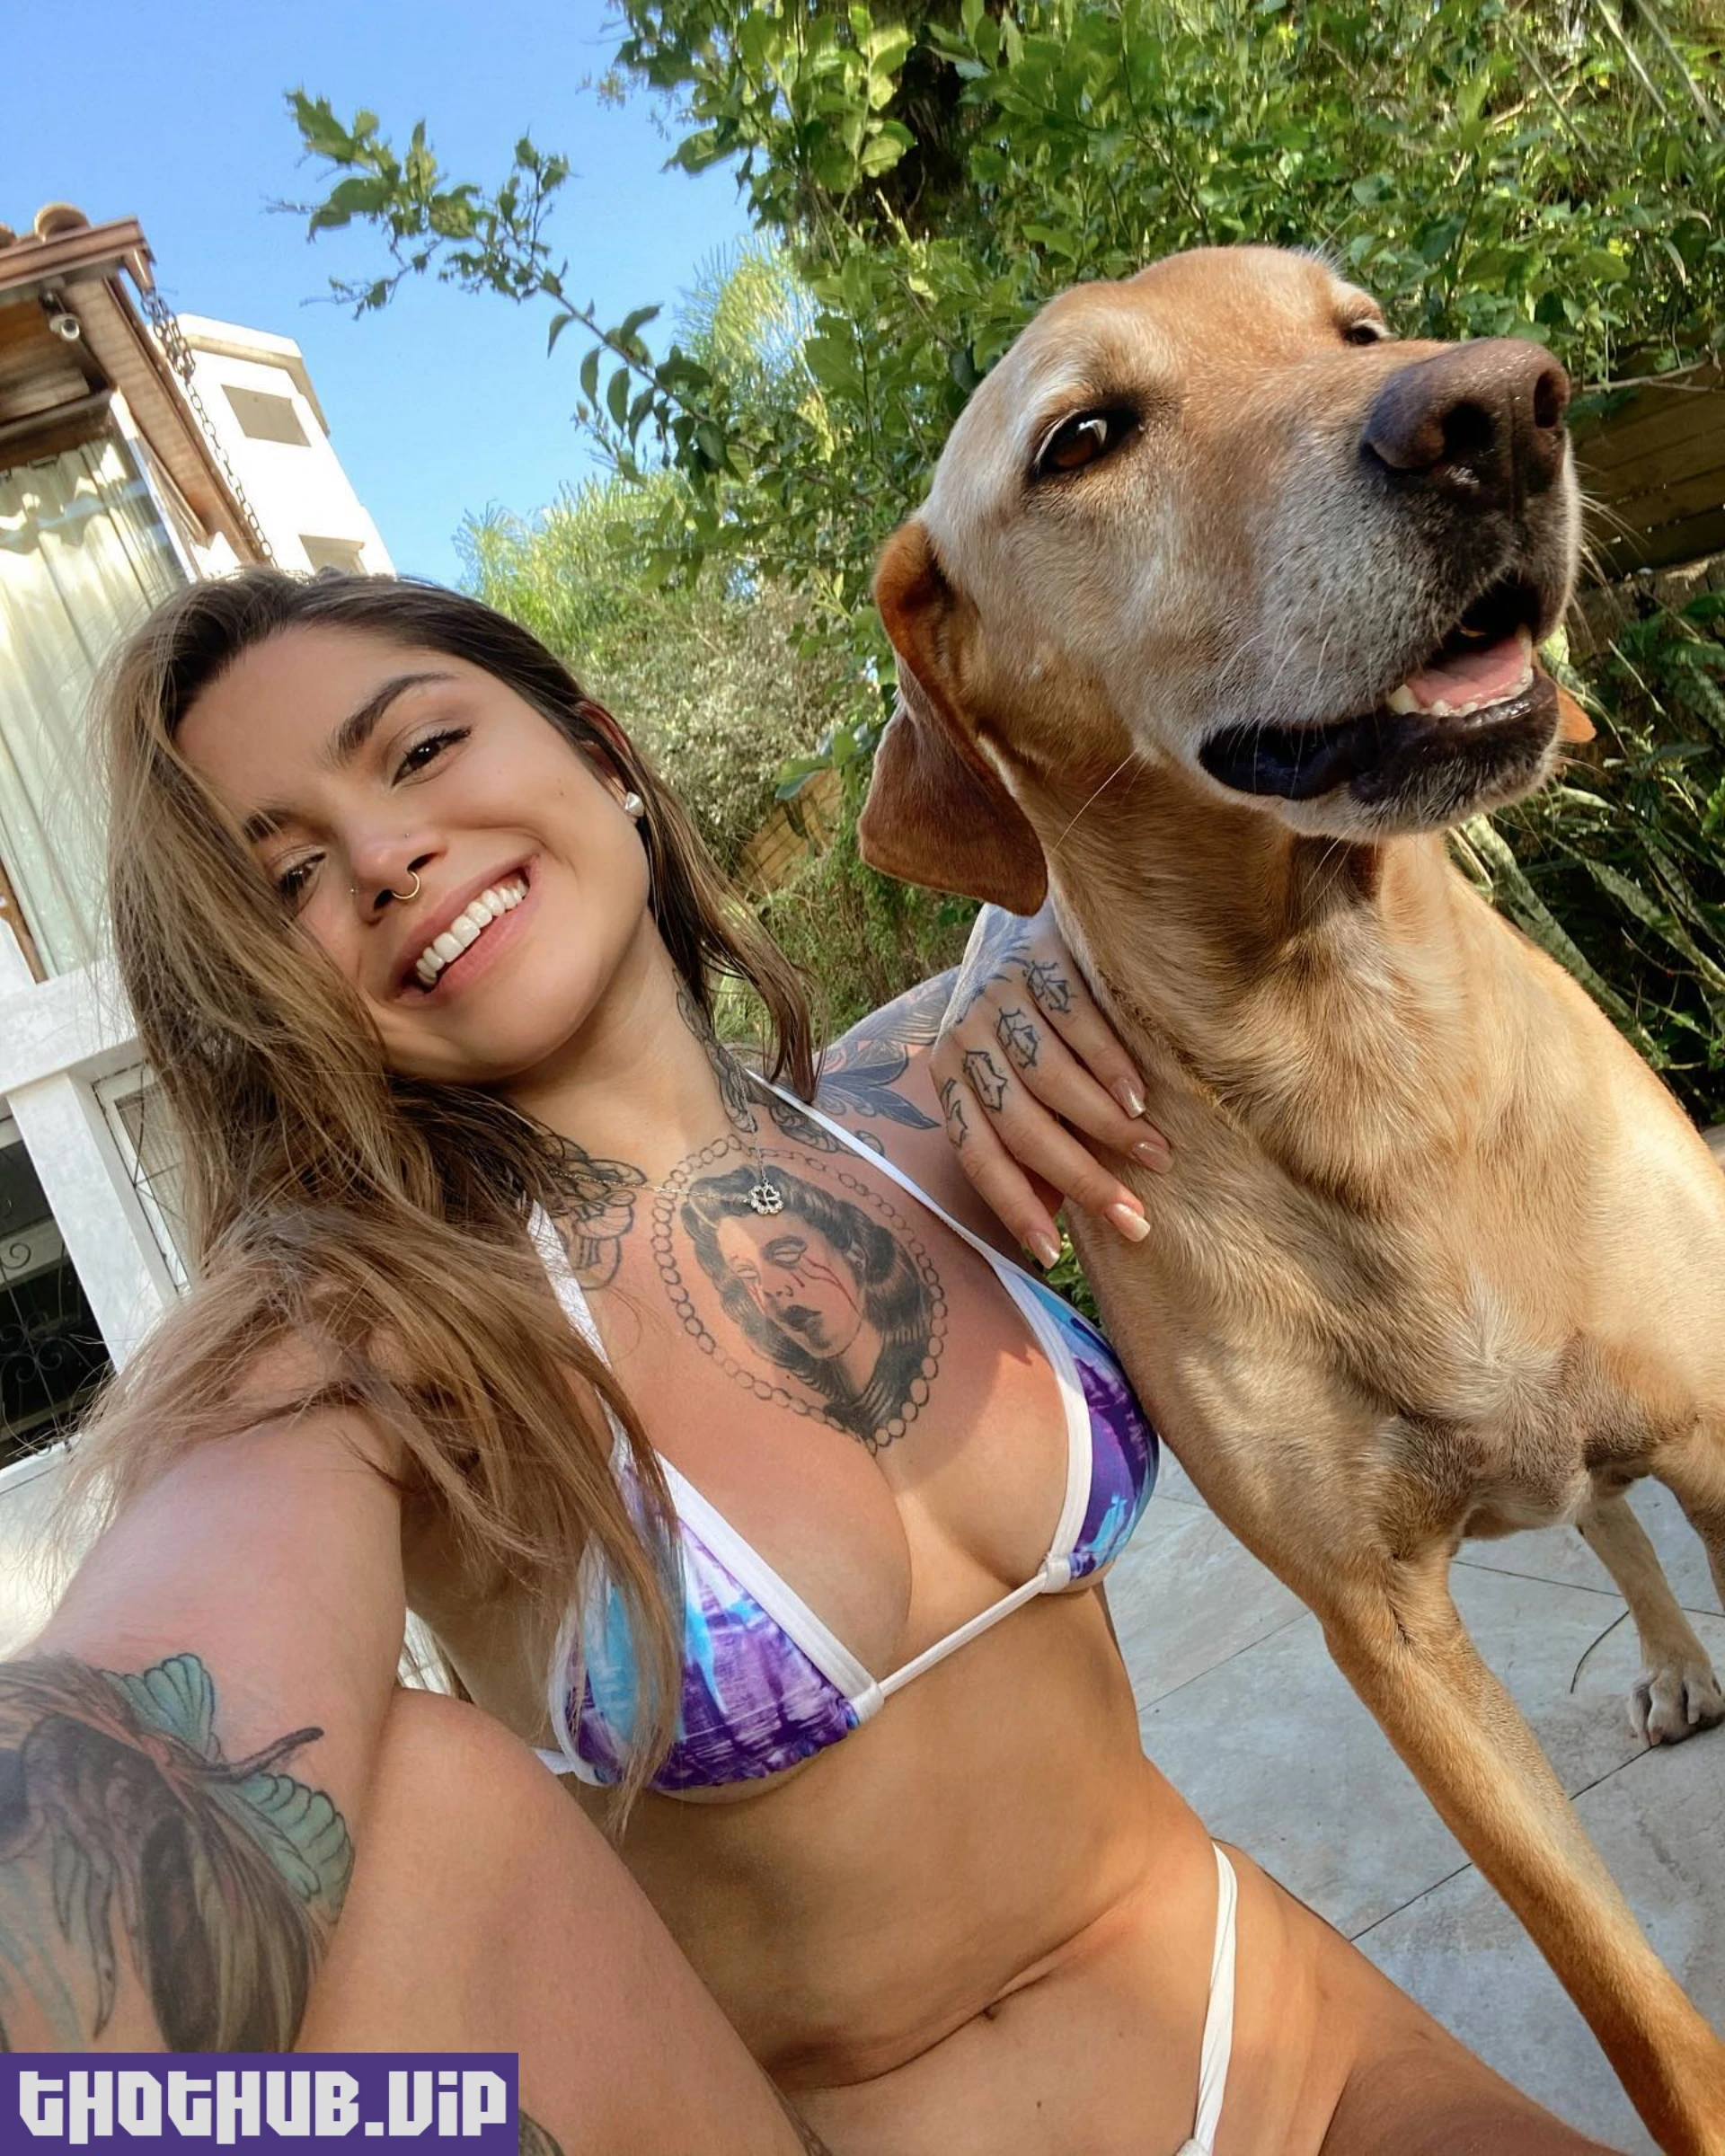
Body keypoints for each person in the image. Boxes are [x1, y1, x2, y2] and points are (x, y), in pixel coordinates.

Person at [0, 570, 1616, 2154]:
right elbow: (140, 1727)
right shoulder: (362, 1351)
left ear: (601, 753)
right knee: (418, 1802)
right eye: (286, 879)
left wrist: (1025, 954)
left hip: (1287, 2037)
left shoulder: (939, 1093)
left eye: (421, 750)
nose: (382, 858)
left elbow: (1194, 787)